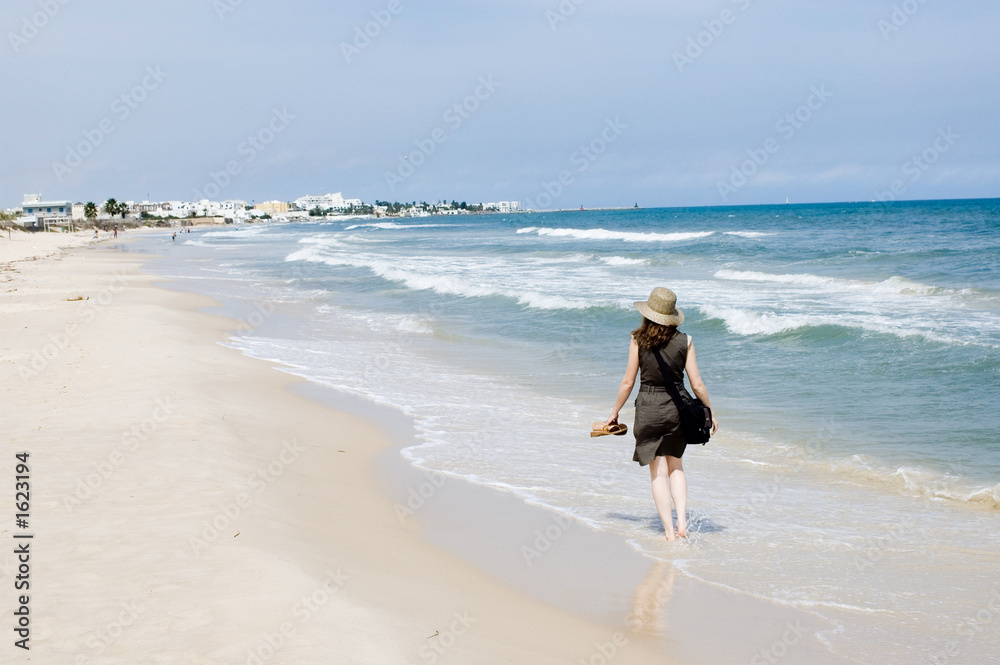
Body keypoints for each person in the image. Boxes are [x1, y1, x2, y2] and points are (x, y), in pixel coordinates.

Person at [605, 287, 718, 542]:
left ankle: (669, 532)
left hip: (648, 408)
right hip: (677, 410)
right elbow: (697, 384)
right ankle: (682, 524)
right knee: (676, 465)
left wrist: (614, 413)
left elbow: (627, 382)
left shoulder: (637, 339)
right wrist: (710, 412)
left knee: (658, 473)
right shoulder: (685, 340)